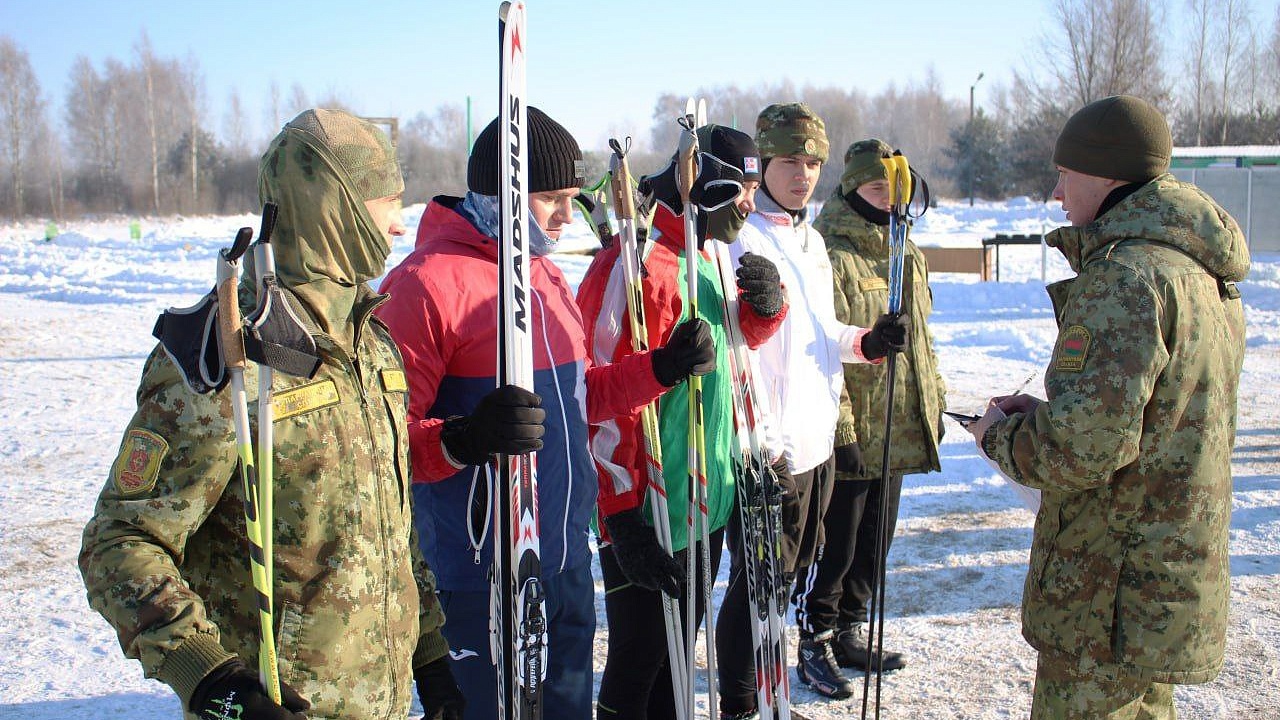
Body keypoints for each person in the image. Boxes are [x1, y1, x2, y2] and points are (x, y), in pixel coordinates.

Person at [79, 109, 465, 720]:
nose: (399, 225)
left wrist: (431, 657)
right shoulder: (231, 351)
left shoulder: (372, 341)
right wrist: (211, 681)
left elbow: (389, 523)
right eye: (386, 202)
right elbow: (120, 542)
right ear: (332, 203)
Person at [375, 106, 715, 720]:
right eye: (551, 198)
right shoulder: (422, 286)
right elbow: (379, 448)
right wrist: (464, 438)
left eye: (573, 196)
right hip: (476, 574)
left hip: (560, 558)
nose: (568, 214)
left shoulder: (545, 276)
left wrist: (659, 369)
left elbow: (582, 397)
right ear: (501, 193)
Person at [967, 94, 1248, 719]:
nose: (1056, 191)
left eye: (1065, 173)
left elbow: (1079, 449)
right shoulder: (1199, 272)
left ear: (1107, 174)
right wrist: (1046, 413)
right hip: (1158, 587)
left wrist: (1000, 435)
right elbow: (1154, 423)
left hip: (1107, 594)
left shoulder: (1124, 278)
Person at [576, 123, 786, 720]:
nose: (751, 202)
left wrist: (765, 312)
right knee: (637, 665)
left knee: (675, 660)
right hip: (652, 515)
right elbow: (595, 397)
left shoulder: (712, 253)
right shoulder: (636, 265)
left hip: (706, 502)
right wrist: (620, 516)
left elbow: (731, 360)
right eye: (741, 188)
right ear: (706, 183)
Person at [715, 108, 912, 710]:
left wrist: (866, 343)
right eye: (788, 162)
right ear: (763, 165)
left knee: (791, 576)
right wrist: (762, 442)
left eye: (812, 163)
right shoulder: (740, 239)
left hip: (818, 439)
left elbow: (820, 332)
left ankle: (771, 687)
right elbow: (736, 349)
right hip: (771, 449)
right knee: (757, 584)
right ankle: (742, 702)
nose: (802, 175)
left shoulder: (812, 239)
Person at [788, 138, 946, 693]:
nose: (887, 198)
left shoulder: (908, 250)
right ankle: (815, 639)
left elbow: (922, 342)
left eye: (894, 188)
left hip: (897, 429)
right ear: (853, 188)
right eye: (876, 187)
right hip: (852, 427)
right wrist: (844, 426)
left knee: (875, 543)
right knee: (837, 546)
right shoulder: (829, 250)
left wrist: (933, 405)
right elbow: (823, 348)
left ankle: (853, 629)